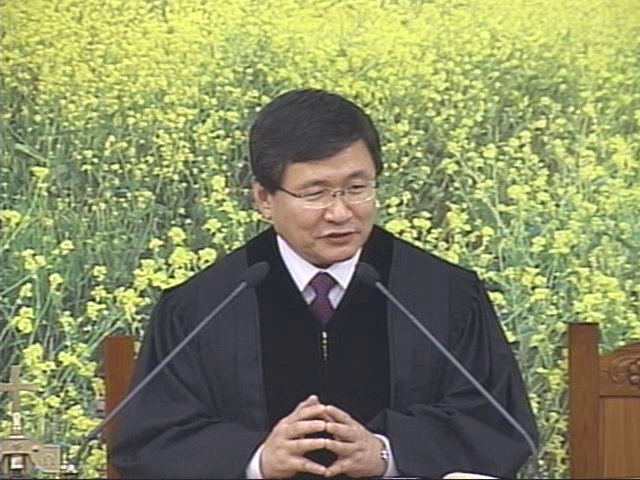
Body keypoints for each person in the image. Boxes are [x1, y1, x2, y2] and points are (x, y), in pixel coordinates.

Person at [112, 89, 538, 479]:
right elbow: (151, 442)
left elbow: (497, 424)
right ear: (264, 199)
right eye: (315, 193)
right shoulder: (201, 306)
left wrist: (387, 452)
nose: (340, 213)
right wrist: (257, 459)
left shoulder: (445, 295)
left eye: (357, 188)